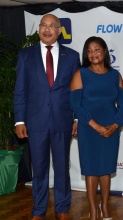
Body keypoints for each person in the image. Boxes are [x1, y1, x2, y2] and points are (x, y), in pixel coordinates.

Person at [14, 14, 80, 220]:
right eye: (44, 25)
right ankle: (39, 210)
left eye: (52, 26)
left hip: (63, 120)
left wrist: (77, 118)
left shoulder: (72, 56)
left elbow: (76, 91)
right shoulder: (26, 55)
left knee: (61, 168)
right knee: (39, 169)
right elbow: (20, 91)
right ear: (39, 29)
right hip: (35, 122)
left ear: (59, 31)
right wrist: (19, 120)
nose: (47, 29)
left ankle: (62, 208)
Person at [70, 36, 123, 220]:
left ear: (104, 51)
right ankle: (94, 210)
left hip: (111, 127)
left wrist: (115, 125)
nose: (93, 53)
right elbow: (76, 105)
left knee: (105, 168)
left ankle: (105, 206)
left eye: (97, 49)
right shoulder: (80, 74)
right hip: (89, 127)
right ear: (86, 54)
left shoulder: (114, 75)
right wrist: (95, 126)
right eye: (89, 50)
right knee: (91, 168)